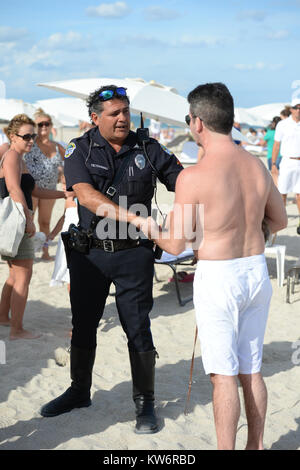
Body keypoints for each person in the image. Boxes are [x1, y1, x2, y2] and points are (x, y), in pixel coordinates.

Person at [136, 83, 287, 450]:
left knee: (223, 376)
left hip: (219, 275)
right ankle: (255, 445)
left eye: (189, 119)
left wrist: (148, 227)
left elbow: (176, 244)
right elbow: (279, 221)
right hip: (255, 268)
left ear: (198, 122)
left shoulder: (193, 176)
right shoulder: (256, 165)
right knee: (251, 369)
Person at [40, 85, 184, 434]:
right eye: (114, 113)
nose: (122, 118)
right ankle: (78, 391)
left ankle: (145, 403)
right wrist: (137, 219)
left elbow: (185, 181)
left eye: (126, 112)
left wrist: (183, 222)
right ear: (95, 118)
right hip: (90, 253)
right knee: (84, 323)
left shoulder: (148, 148)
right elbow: (86, 196)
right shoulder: (80, 148)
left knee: (137, 327)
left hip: (134, 255)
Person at [0, 114, 66, 340]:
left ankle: (3, 318)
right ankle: (17, 330)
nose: (31, 140)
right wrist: (29, 219)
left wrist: (64, 193)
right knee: (23, 276)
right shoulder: (11, 156)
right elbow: (13, 188)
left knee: (13, 275)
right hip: (17, 222)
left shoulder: (20, 158)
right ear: (12, 136)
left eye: (33, 136)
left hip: (16, 221)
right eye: (26, 136)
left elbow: (34, 190)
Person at [23, 108, 65, 260]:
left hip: (50, 190)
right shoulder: (29, 145)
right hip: (32, 190)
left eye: (46, 124)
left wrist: (62, 174)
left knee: (45, 222)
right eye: (40, 124)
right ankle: (28, 252)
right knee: (30, 221)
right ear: (35, 127)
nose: (43, 127)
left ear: (51, 125)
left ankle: (45, 252)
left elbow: (71, 162)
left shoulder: (57, 146)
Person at [271, 97, 300, 234]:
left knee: (299, 194)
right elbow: (276, 145)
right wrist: (273, 163)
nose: (299, 110)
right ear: (291, 110)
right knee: (282, 192)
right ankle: (280, 219)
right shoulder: (282, 125)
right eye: (297, 107)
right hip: (287, 161)